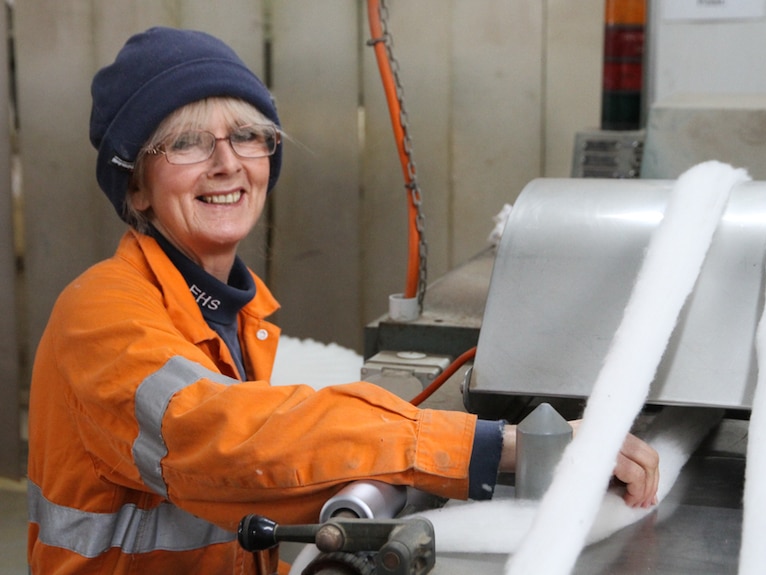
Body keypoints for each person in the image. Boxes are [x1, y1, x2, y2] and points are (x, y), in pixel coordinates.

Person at [26, 27, 659, 575]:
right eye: (188, 143)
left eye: (247, 134)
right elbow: (219, 440)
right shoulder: (100, 316)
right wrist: (495, 447)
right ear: (136, 185)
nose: (227, 163)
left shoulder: (231, 314)